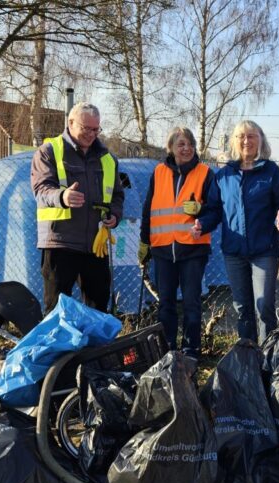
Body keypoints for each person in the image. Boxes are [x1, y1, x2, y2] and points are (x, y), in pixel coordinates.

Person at [31, 102, 124, 313]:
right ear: (70, 123)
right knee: (56, 310)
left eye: (96, 129)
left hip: (95, 245)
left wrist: (114, 215)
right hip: (60, 242)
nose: (92, 134)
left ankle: (96, 347)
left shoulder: (108, 159)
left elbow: (117, 195)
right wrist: (62, 196)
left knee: (98, 308)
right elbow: (41, 189)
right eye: (86, 128)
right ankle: (60, 347)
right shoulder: (48, 151)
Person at [138, 127, 220, 360]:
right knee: (166, 304)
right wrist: (144, 242)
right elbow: (148, 210)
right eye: (180, 144)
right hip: (163, 249)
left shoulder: (205, 173)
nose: (186, 149)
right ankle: (167, 348)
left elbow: (216, 211)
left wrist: (202, 217)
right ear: (171, 148)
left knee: (192, 303)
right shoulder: (159, 172)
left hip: (193, 249)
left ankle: (191, 350)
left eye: (190, 144)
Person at [213, 120, 279, 342]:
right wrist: (201, 224)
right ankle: (248, 359)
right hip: (234, 252)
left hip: (264, 251)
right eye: (241, 136)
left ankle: (268, 360)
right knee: (243, 308)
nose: (246, 141)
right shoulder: (223, 175)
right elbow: (213, 209)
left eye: (251, 136)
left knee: (264, 308)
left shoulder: (270, 171)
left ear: (260, 140)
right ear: (234, 141)